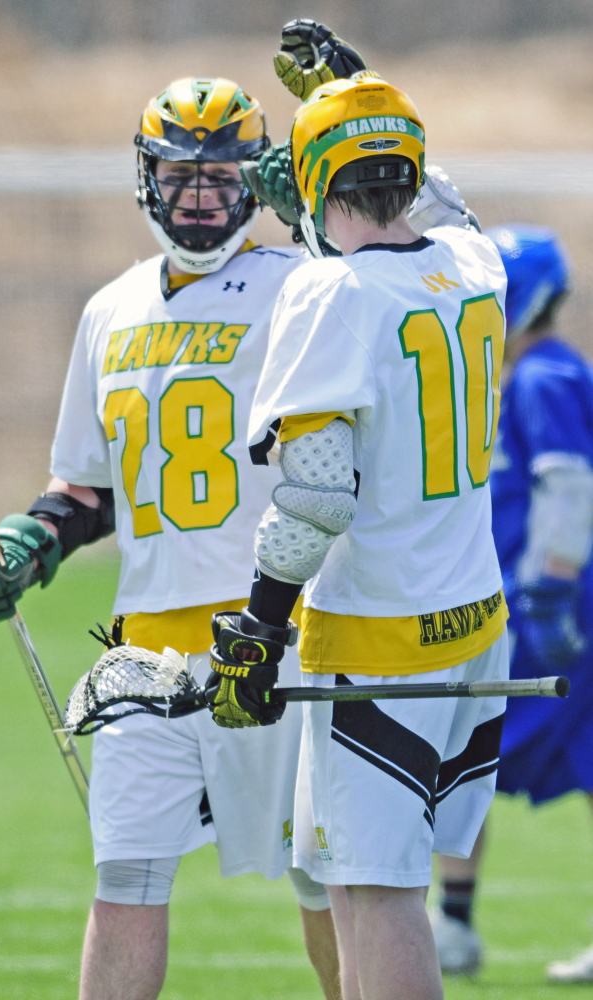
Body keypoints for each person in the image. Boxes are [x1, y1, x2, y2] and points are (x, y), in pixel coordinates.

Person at [0, 71, 354, 1000]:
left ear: (256, 181)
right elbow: (86, 488)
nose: (204, 197)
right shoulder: (110, 308)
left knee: (326, 882)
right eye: (184, 177)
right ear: (147, 179)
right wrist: (31, 542)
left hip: (279, 637)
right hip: (144, 652)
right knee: (125, 878)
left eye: (225, 178)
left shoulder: (303, 290)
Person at [202, 71, 509, 1000]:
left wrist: (257, 625)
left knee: (377, 894)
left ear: (308, 178)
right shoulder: (471, 265)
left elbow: (317, 497)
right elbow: (444, 202)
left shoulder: (330, 292)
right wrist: (353, 84)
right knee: (346, 880)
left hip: (380, 635)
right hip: (472, 624)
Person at [431, 225, 593, 983]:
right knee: (464, 757)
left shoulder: (543, 378)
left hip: (547, 609)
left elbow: (568, 487)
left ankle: (452, 925)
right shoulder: (511, 378)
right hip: (507, 605)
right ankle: (451, 925)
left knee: (468, 753)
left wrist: (549, 590)